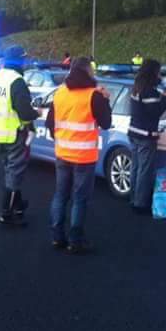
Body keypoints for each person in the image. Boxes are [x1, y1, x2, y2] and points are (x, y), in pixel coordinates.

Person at [46, 57, 112, 254]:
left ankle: (57, 236)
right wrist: (106, 100)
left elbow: (50, 123)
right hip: (84, 156)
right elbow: (106, 123)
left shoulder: (60, 93)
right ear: (88, 72)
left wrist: (62, 139)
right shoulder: (94, 96)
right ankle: (75, 240)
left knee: (60, 195)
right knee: (79, 198)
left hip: (63, 153)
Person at [0, 45, 40, 226]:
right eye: (23, 59)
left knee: (10, 170)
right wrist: (37, 113)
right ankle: (6, 213)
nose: (25, 62)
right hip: (15, 133)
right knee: (15, 174)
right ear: (19, 60)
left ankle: (17, 205)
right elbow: (24, 112)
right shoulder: (16, 81)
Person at [128, 59, 166, 214]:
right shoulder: (150, 92)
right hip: (146, 135)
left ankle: (133, 198)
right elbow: (155, 113)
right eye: (159, 72)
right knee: (144, 170)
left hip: (134, 132)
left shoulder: (137, 88)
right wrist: (165, 98)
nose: (160, 75)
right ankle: (140, 203)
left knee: (135, 167)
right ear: (153, 73)